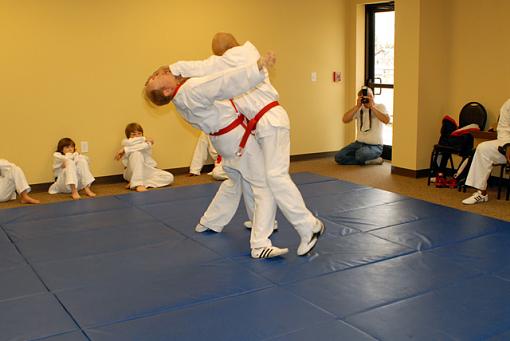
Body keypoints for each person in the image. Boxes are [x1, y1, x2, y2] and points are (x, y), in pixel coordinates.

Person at [169, 32, 324, 256]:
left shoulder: (239, 55)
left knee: (274, 177)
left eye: (218, 53)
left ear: (225, 49)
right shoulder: (237, 61)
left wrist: (174, 69)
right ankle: (264, 222)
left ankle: (309, 227)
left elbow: (205, 67)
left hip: (271, 120)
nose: (217, 58)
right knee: (252, 178)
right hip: (262, 124)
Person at [145, 53, 288, 259]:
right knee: (263, 186)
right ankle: (260, 245)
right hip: (236, 139)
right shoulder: (190, 89)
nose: (158, 73)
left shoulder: (181, 98)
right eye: (155, 77)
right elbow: (224, 83)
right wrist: (256, 67)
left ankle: (210, 221)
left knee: (236, 181)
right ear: (167, 90)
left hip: (224, 141)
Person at [462, 98, 510, 204]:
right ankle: (481, 193)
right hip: (507, 143)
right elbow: (503, 129)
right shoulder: (508, 104)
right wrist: (507, 145)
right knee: (483, 148)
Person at [335, 86, 390, 165]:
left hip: (375, 146)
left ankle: (363, 158)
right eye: (363, 98)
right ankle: (369, 161)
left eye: (369, 96)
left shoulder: (380, 106)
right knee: (339, 157)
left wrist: (372, 107)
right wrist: (357, 107)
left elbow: (386, 120)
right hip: (358, 143)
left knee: (360, 155)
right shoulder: (359, 109)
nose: (366, 99)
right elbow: (345, 120)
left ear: (372, 96)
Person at [115, 122, 174, 192]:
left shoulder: (146, 144)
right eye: (133, 134)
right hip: (131, 172)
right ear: (128, 137)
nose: (137, 136)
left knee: (169, 177)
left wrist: (125, 150)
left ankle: (140, 183)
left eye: (139, 134)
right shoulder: (127, 143)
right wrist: (125, 149)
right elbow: (133, 144)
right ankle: (138, 184)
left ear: (142, 134)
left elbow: (143, 146)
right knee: (136, 153)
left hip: (146, 171)